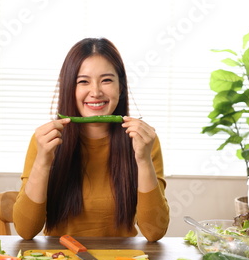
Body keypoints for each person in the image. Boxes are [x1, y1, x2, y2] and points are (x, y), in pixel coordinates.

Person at [13, 37, 169, 240]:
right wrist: (43, 161)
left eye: (106, 80)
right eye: (83, 81)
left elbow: (154, 232)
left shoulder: (144, 141)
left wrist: (143, 160)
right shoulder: (46, 141)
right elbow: (25, 231)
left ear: (120, 88)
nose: (95, 92)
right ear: (70, 88)